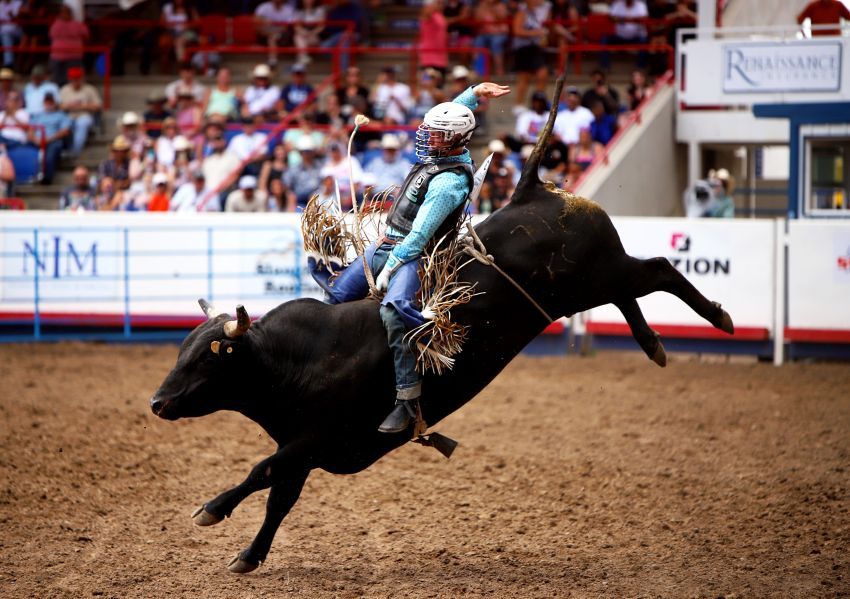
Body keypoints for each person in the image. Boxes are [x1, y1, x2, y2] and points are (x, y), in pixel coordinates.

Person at [307, 81, 510, 434]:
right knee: (336, 294)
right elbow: (451, 116)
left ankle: (406, 399)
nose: (427, 136)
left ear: (453, 140)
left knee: (394, 312)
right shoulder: (444, 153)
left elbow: (418, 237)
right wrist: (474, 93)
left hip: (412, 256)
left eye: (435, 134)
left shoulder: (448, 183)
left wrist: (391, 266)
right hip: (386, 243)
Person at [511, 0, 550, 113]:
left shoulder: (535, 14)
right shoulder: (522, 13)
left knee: (542, 73)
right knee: (524, 76)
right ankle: (519, 105)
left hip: (535, 48)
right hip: (523, 48)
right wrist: (536, 33)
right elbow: (517, 30)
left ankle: (539, 101)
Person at [58, 66, 101, 157]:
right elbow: (59, 106)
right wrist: (69, 105)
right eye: (73, 79)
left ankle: (75, 153)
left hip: (84, 115)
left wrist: (82, 106)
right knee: (63, 126)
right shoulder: (64, 89)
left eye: (77, 78)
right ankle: (62, 151)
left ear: (82, 78)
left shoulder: (89, 89)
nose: (75, 81)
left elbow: (98, 106)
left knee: (82, 124)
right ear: (69, 79)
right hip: (69, 116)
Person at [28, 92, 70, 184]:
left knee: (50, 154)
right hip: (37, 141)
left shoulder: (61, 115)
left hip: (53, 141)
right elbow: (30, 130)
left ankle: (46, 179)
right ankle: (26, 177)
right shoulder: (37, 115)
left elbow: (65, 131)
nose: (49, 104)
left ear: (55, 103)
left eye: (51, 102)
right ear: (44, 103)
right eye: (47, 102)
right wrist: (35, 139)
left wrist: (49, 139)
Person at [601, 0, 649, 71]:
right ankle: (605, 67)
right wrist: (626, 19)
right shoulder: (618, 3)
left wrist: (627, 19)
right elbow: (611, 17)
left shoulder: (640, 5)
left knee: (644, 40)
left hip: (636, 37)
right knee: (604, 39)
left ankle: (640, 67)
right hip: (619, 36)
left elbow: (644, 18)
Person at [48, 4, 88, 87]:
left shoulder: (77, 24)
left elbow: (86, 35)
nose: (65, 14)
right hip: (58, 57)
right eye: (63, 12)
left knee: (74, 81)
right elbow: (51, 35)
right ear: (60, 14)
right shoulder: (56, 25)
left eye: (67, 12)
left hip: (74, 57)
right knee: (58, 81)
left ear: (71, 14)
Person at [283, 135, 323, 209]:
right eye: (304, 152)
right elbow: (286, 183)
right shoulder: (294, 168)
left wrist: (316, 195)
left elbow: (324, 185)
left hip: (316, 198)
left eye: (309, 152)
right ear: (300, 153)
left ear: (313, 152)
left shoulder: (320, 167)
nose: (307, 154)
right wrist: (290, 194)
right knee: (291, 198)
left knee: (315, 198)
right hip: (297, 198)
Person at [472, 0, 509, 76]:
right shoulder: (482, 6)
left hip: (499, 33)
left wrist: (492, 8)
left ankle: (499, 70)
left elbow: (501, 17)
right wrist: (484, 7)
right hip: (484, 33)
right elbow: (477, 19)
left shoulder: (501, 5)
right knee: (478, 42)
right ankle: (478, 71)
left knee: (496, 43)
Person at [255, 0, 296, 67]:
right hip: (264, 35)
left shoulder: (288, 9)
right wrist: (264, 21)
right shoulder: (263, 7)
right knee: (270, 36)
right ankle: (272, 60)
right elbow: (256, 21)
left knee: (273, 37)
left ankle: (272, 60)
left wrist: (274, 31)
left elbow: (286, 27)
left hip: (282, 36)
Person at [418, 0, 449, 76]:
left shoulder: (440, 16)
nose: (441, 4)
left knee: (440, 82)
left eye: (442, 3)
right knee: (427, 81)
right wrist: (433, 5)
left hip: (441, 58)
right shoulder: (428, 15)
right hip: (429, 58)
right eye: (438, 3)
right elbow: (425, 13)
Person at [293, 0, 325, 66]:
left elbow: (321, 27)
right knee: (298, 37)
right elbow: (296, 27)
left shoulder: (319, 10)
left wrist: (312, 33)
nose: (308, 1)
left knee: (300, 40)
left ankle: (302, 58)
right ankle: (303, 58)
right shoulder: (299, 11)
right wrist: (303, 32)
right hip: (303, 34)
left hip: (315, 36)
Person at [0, 0, 23, 69]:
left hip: (16, 31)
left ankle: (9, 64)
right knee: (5, 34)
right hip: (2, 32)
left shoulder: (18, 3)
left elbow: (21, 19)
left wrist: (13, 16)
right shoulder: (0, 4)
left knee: (6, 35)